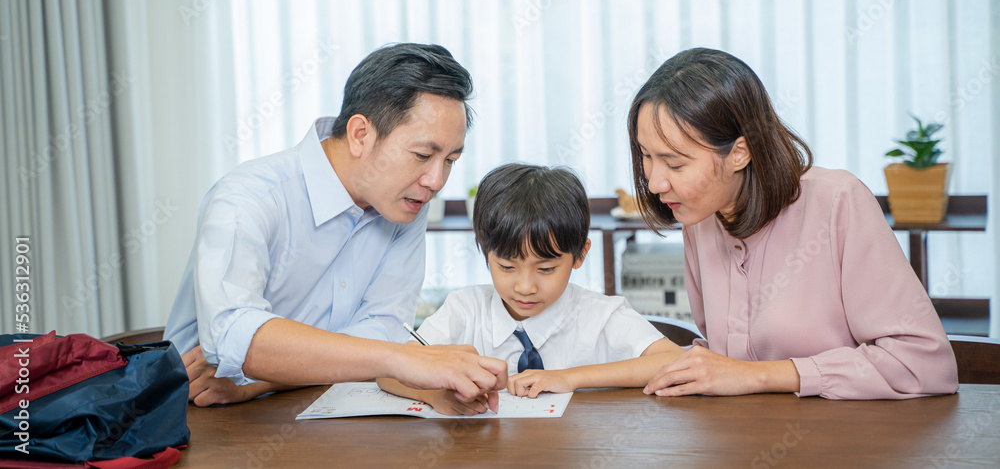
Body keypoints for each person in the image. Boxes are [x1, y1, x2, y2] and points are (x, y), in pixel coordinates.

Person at [164, 43, 507, 407]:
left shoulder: (405, 202)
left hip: (308, 405)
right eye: (423, 155)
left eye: (450, 160)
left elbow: (385, 328)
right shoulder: (250, 197)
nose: (436, 181)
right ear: (361, 135)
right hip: (198, 417)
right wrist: (403, 359)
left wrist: (259, 380)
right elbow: (234, 336)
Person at [627, 47, 959, 400]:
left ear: (739, 152)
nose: (654, 183)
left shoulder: (838, 202)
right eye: (646, 156)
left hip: (845, 439)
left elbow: (924, 365)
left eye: (675, 164)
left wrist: (761, 376)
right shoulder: (699, 215)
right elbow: (724, 358)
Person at [377, 163, 686, 414]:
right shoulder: (466, 307)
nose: (525, 287)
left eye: (546, 269)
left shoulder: (602, 316)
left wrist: (568, 378)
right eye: (507, 267)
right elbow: (389, 371)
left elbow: (674, 361)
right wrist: (435, 394)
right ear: (485, 253)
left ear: (580, 255)